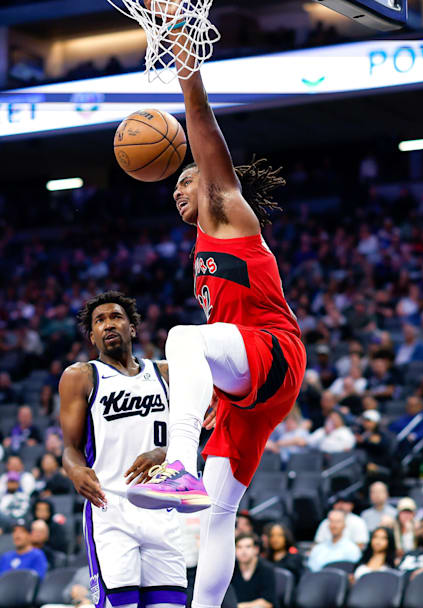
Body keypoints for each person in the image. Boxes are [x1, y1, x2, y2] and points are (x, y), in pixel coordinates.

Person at [122, 23, 307, 608]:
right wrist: (191, 418)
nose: (179, 193)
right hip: (247, 388)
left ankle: (182, 468)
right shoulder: (203, 245)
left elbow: (201, 123)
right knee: (219, 514)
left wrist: (185, 60)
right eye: (173, 189)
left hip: (272, 350)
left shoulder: (229, 213)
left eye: (186, 180)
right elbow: (204, 361)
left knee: (182, 334)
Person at [59, 292, 187, 608]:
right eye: (99, 321)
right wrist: (75, 470)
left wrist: (165, 453)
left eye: (115, 317)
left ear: (132, 327)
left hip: (162, 509)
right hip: (111, 508)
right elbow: (70, 449)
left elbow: (192, 433)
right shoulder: (81, 376)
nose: (108, 324)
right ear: (92, 336)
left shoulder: (167, 373)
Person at [230, 533, 276, 608]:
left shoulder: (267, 569)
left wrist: (237, 606)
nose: (243, 551)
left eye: (248, 547)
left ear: (256, 550)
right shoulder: (231, 569)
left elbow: (267, 603)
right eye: (239, 547)